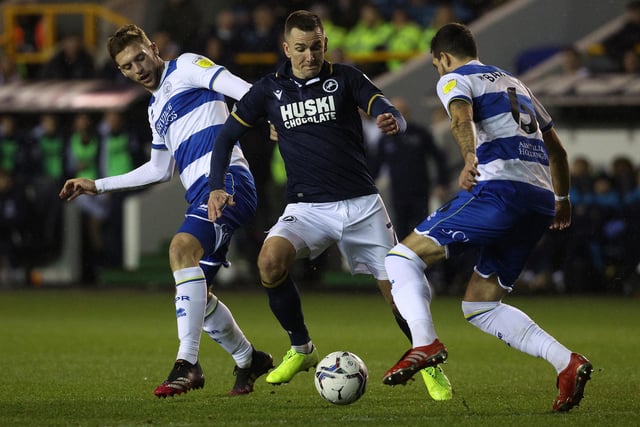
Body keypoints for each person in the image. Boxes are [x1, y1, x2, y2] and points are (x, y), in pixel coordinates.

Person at [208, 10, 452, 401]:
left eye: (316, 46)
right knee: (269, 262)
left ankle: (429, 363)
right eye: (301, 48)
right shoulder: (268, 91)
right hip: (307, 208)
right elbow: (225, 138)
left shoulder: (347, 78)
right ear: (286, 48)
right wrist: (216, 186)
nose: (309, 55)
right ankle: (302, 348)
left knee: (397, 292)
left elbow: (388, 110)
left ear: (325, 44)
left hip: (362, 206)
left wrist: (390, 118)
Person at [380, 23, 593, 412]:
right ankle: (567, 363)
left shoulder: (454, 79)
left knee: (400, 258)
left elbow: (460, 118)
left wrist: (468, 158)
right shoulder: (517, 84)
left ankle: (424, 344)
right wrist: (562, 199)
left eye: (435, 65)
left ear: (443, 58)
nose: (438, 72)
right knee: (481, 304)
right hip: (540, 200)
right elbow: (557, 151)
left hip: (500, 191)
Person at [59, 24, 273, 398]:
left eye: (141, 57)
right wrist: (99, 183)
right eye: (127, 66)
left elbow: (244, 91)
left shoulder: (187, 66)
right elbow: (159, 170)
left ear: (154, 48)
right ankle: (247, 359)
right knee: (196, 295)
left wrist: (272, 120)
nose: (138, 68)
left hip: (228, 181)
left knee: (180, 250)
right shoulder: (155, 107)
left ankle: (187, 363)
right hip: (200, 194)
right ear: (121, 71)